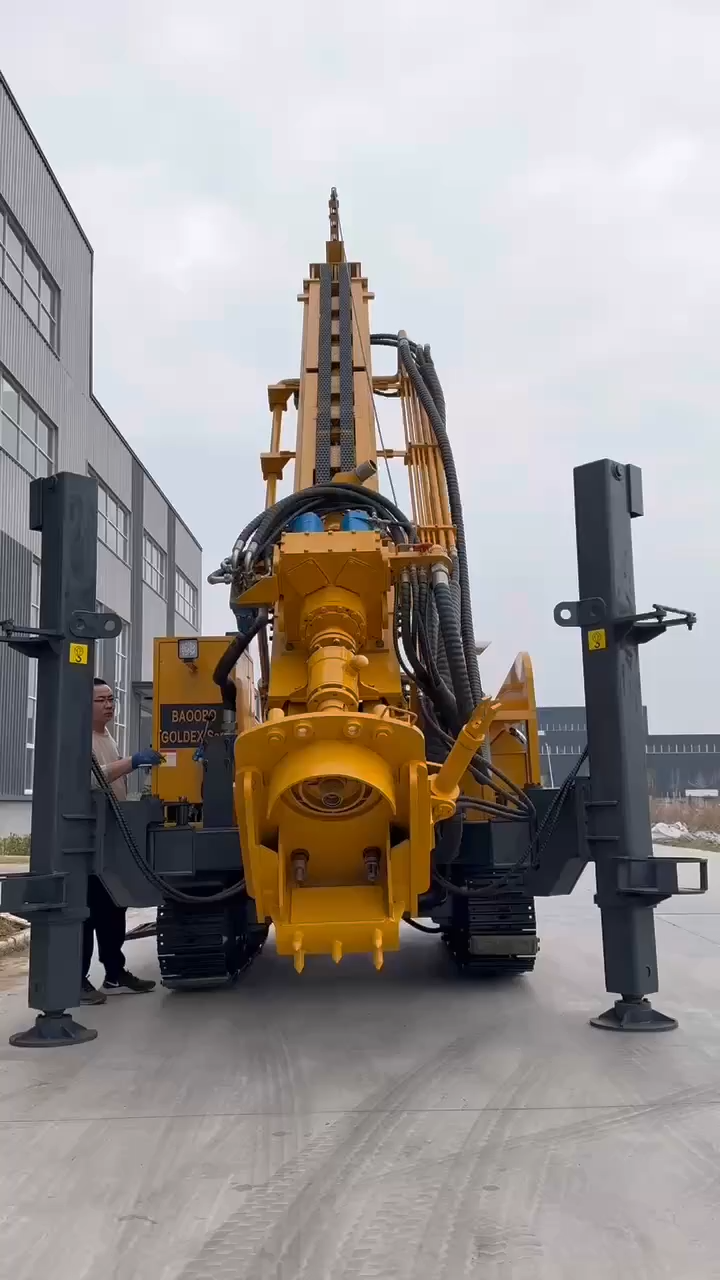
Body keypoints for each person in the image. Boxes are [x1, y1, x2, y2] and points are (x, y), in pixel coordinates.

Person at [81, 678, 164, 1005]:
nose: (109, 705)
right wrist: (131, 762)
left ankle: (115, 973)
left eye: (111, 699)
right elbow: (90, 778)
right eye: (101, 700)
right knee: (88, 913)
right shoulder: (80, 739)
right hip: (89, 839)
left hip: (112, 835)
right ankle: (77, 979)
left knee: (114, 907)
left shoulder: (107, 737)